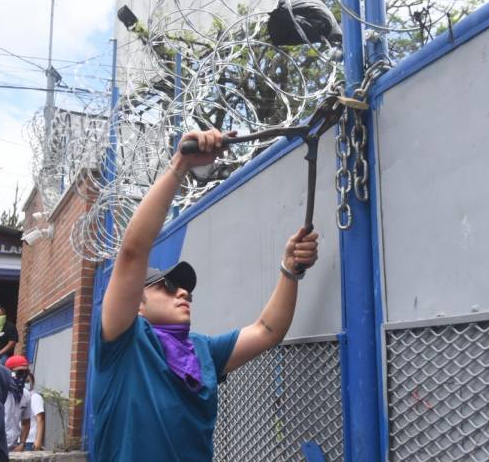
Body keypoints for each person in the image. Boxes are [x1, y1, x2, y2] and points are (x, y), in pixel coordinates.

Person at [93, 129, 319, 461]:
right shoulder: (123, 344)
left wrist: (289, 270)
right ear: (137, 303)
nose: (183, 291)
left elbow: (268, 331)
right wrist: (179, 166)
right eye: (167, 286)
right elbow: (132, 253)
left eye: (185, 288)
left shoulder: (202, 351)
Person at [3, 355, 32, 452]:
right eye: (20, 372)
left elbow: (26, 422)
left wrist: (22, 443)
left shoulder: (26, 395)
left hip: (14, 448)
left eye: (26, 372)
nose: (23, 376)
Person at [23, 371, 45, 451]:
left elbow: (40, 419)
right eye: (24, 381)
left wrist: (38, 440)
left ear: (33, 382)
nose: (26, 384)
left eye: (28, 381)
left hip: (29, 441)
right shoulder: (21, 396)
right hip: (18, 440)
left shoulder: (35, 397)